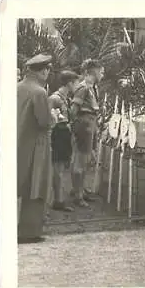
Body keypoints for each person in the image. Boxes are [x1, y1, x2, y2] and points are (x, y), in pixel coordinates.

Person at [17, 54, 55, 244]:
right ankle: (29, 232)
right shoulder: (39, 92)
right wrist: (54, 117)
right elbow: (44, 122)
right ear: (43, 70)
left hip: (18, 142)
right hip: (36, 145)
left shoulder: (18, 87)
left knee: (17, 186)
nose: (48, 73)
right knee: (36, 185)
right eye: (47, 70)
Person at [69, 59, 104, 208]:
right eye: (101, 72)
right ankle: (78, 195)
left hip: (89, 124)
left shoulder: (91, 87)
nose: (103, 74)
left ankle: (80, 190)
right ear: (93, 72)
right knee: (80, 162)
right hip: (84, 125)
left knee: (82, 161)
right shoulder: (83, 88)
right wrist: (76, 128)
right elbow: (73, 110)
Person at [48, 70, 81, 212]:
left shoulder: (66, 98)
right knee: (57, 169)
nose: (78, 86)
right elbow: (48, 120)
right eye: (76, 83)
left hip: (64, 135)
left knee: (61, 168)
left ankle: (58, 198)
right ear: (69, 83)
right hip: (57, 135)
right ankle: (57, 201)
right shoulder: (55, 98)